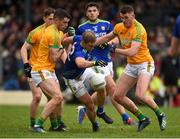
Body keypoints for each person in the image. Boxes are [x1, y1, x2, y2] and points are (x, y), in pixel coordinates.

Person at [95, 5, 167, 132]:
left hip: (145, 63)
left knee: (140, 94)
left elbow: (133, 51)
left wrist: (114, 49)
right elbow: (107, 38)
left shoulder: (139, 29)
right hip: (132, 65)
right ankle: (143, 118)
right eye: (122, 18)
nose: (124, 20)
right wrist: (91, 43)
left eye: (126, 17)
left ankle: (160, 114)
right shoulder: (119, 27)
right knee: (117, 96)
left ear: (133, 16)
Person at [75, 2, 136, 125]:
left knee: (106, 91)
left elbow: (116, 38)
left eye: (94, 10)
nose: (92, 12)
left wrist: (108, 43)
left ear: (98, 12)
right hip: (95, 62)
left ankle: (85, 109)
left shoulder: (106, 24)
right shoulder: (82, 28)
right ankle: (125, 117)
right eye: (90, 11)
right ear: (86, 13)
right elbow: (79, 44)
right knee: (113, 88)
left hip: (108, 61)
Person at [21, 7, 67, 131]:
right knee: (41, 97)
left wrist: (66, 61)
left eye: (53, 19)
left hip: (48, 69)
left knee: (56, 98)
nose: (52, 21)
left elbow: (60, 45)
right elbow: (24, 48)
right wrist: (26, 64)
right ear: (44, 18)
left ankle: (56, 125)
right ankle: (35, 124)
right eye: (50, 19)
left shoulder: (57, 32)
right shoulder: (38, 32)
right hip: (38, 68)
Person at [62, 31, 108, 132]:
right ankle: (95, 124)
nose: (92, 48)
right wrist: (95, 63)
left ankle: (100, 110)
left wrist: (64, 48)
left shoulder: (79, 37)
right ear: (84, 42)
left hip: (83, 72)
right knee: (90, 104)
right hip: (72, 78)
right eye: (90, 46)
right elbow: (80, 63)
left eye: (93, 45)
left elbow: (66, 40)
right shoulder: (79, 52)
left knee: (101, 85)